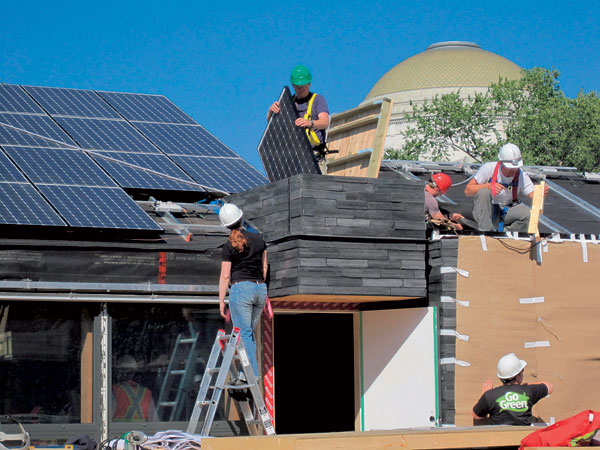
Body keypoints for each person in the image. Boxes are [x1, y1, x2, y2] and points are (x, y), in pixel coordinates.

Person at [219, 203, 268, 378]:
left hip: (241, 290)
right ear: (241, 218)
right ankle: (242, 375)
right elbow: (264, 267)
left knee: (244, 334)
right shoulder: (259, 240)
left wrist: (220, 302)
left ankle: (252, 374)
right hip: (260, 289)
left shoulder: (228, 246)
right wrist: (259, 285)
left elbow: (225, 276)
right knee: (248, 335)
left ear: (225, 225)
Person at [464, 143, 548, 232]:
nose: (513, 170)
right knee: (484, 192)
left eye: (515, 167)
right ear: (501, 163)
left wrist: (540, 194)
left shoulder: (521, 175)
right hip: (485, 211)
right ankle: (486, 233)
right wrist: (489, 186)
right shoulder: (488, 168)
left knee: (529, 214)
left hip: (506, 210)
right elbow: (468, 190)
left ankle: (506, 234)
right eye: (510, 167)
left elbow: (534, 196)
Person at [267, 64, 330, 167]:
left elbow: (325, 122)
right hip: (294, 157)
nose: (301, 89)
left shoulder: (318, 99)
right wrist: (271, 111)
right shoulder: (288, 102)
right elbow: (273, 125)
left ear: (309, 83)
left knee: (315, 183)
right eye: (298, 87)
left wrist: (310, 123)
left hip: (314, 157)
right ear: (292, 85)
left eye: (304, 86)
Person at [473, 352, 554, 425]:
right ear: (517, 376)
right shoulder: (529, 391)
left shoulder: (490, 395)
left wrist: (484, 395)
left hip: (499, 440)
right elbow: (549, 387)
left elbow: (477, 416)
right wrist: (527, 385)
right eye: (522, 371)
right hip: (523, 440)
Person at [111, 355, 158, 422]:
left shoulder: (115, 392)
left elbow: (105, 419)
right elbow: (154, 421)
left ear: (119, 371)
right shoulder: (146, 393)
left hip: (118, 432)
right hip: (140, 432)